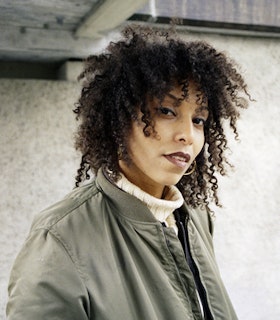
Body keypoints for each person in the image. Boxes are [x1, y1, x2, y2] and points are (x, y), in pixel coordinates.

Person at [6, 24, 250, 319]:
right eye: (167, 111)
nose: (188, 134)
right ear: (119, 121)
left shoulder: (195, 217)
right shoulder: (60, 237)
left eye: (199, 120)